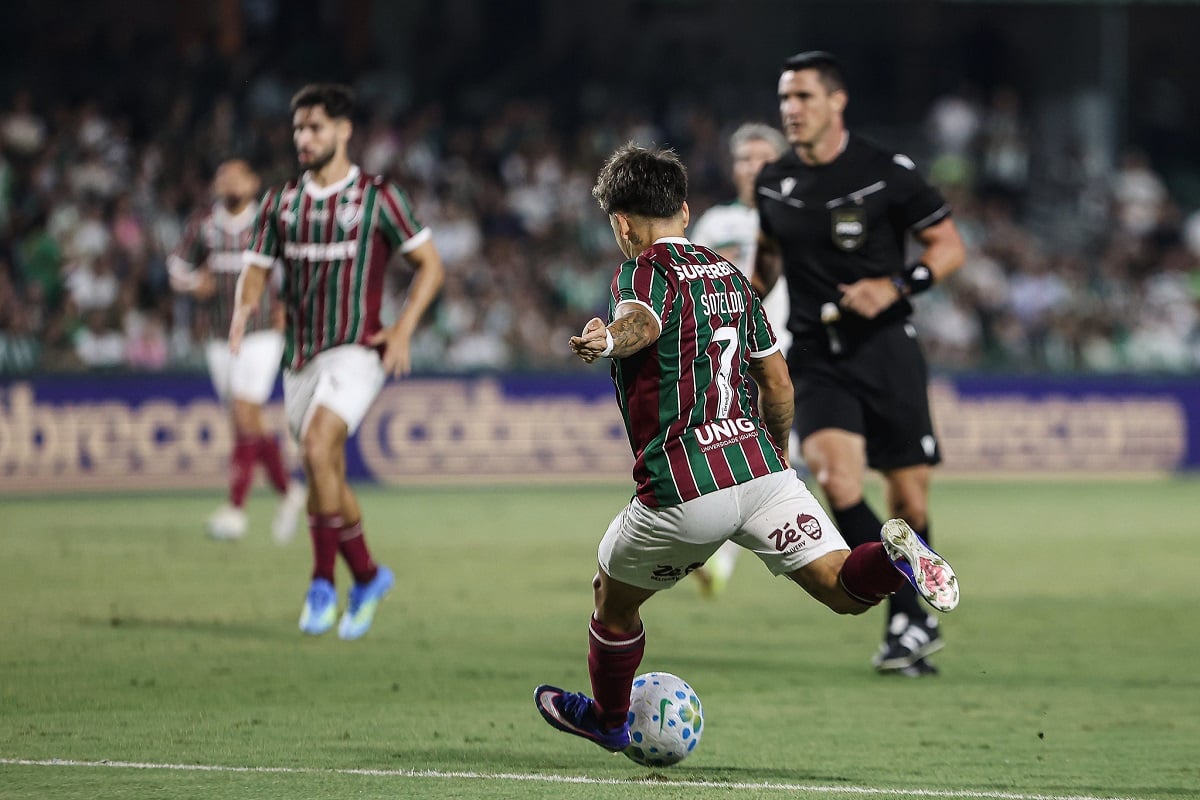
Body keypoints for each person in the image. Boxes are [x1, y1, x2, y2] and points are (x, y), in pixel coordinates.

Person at [533, 143, 958, 752]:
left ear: (622, 225)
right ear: (684, 211)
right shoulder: (731, 275)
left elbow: (641, 325)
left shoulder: (643, 270)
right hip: (761, 473)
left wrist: (606, 342)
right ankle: (895, 560)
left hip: (684, 488)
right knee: (844, 589)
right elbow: (777, 383)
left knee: (612, 601)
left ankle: (607, 719)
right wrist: (776, 460)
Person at [752, 51, 968, 676]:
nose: (791, 109)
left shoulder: (886, 172)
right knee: (836, 479)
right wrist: (736, 306)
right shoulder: (773, 182)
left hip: (885, 346)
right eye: (785, 98)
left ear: (836, 101)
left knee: (908, 501)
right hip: (815, 353)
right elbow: (767, 263)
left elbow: (948, 246)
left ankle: (912, 619)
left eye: (803, 97)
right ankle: (910, 609)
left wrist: (897, 285)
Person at [230, 83, 445, 640]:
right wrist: (243, 309)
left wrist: (402, 329)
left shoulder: (378, 197)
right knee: (325, 471)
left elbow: (430, 265)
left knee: (318, 445)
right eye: (298, 129)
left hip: (357, 349)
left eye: (315, 127)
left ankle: (322, 583)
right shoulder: (280, 203)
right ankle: (368, 576)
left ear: (343, 130)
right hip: (300, 357)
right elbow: (255, 268)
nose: (304, 138)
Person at [168, 159, 306, 543]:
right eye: (222, 178)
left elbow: (296, 267)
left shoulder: (268, 222)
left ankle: (235, 510)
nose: (229, 183)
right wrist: (194, 283)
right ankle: (289, 491)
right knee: (245, 423)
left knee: (245, 412)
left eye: (236, 177)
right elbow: (176, 267)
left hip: (260, 333)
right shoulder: (204, 225)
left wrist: (288, 304)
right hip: (219, 335)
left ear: (252, 183)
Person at [689, 121, 790, 597]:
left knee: (769, 460)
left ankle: (722, 554)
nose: (752, 168)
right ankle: (726, 556)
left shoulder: (798, 215)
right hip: (733, 359)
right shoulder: (716, 223)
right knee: (744, 459)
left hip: (790, 354)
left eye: (763, 159)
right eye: (744, 159)